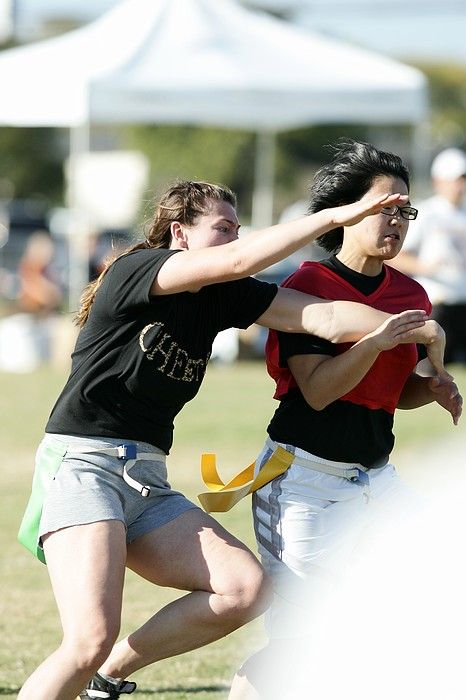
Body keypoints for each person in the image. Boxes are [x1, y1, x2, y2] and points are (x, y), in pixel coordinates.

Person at [18, 179, 433, 700]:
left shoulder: (223, 296)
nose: (236, 240)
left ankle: (110, 677)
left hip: (145, 478)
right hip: (84, 466)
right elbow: (239, 263)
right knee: (86, 640)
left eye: (238, 229)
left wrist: (410, 328)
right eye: (222, 229)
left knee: (244, 589)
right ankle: (97, 667)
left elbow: (325, 317)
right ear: (180, 234)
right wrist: (337, 217)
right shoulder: (138, 270)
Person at [228, 142, 463, 699]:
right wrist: (380, 337)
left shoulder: (410, 292)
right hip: (304, 479)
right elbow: (318, 391)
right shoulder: (308, 287)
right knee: (301, 640)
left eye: (405, 212)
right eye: (385, 208)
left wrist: (427, 389)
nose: (397, 223)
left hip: (375, 475)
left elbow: (384, 394)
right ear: (347, 212)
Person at [391, 147, 466, 364]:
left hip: (463, 302)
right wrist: (427, 267)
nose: (459, 185)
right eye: (454, 179)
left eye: (462, 179)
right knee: (432, 370)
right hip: (436, 303)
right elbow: (395, 256)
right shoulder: (426, 213)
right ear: (438, 181)